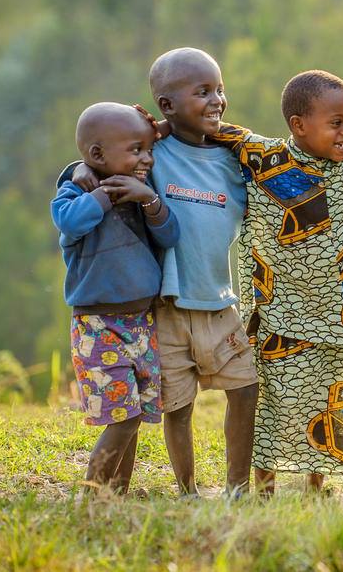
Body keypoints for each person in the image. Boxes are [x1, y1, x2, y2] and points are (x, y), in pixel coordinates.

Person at [70, 48, 258, 498]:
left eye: (220, 89)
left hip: (219, 301)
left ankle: (237, 487)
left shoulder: (237, 158)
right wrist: (80, 168)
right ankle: (187, 489)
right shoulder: (153, 152)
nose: (217, 100)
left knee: (246, 389)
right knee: (178, 405)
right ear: (167, 106)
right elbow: (104, 152)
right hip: (167, 307)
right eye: (203, 92)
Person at [211, 70, 343, 495]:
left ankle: (315, 483)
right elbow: (217, 131)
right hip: (281, 312)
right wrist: (155, 128)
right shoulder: (265, 159)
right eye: (335, 122)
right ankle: (263, 484)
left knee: (333, 397)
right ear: (298, 125)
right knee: (276, 401)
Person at [51, 102, 180, 494]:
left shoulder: (140, 192)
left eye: (148, 150)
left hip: (141, 323)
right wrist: (105, 193)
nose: (147, 159)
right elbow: (69, 222)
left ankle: (116, 495)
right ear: (96, 156)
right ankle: (94, 496)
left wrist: (147, 200)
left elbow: (170, 235)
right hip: (98, 326)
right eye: (136, 151)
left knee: (133, 413)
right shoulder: (77, 193)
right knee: (121, 416)